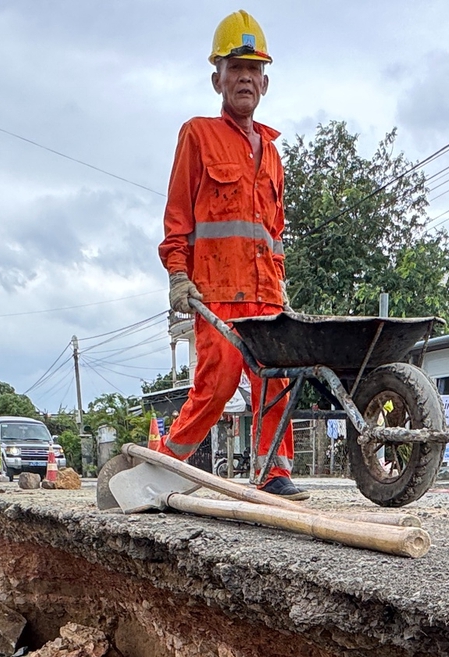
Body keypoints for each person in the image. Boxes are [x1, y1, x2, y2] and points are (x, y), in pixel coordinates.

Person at [157, 10, 303, 497]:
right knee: (215, 389)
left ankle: (273, 472)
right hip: (217, 291)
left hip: (265, 294)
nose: (245, 77)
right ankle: (164, 467)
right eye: (235, 68)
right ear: (217, 77)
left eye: (254, 69)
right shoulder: (197, 136)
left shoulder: (273, 152)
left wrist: (280, 288)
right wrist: (179, 274)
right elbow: (178, 216)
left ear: (265, 82)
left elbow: (274, 233)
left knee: (275, 383)